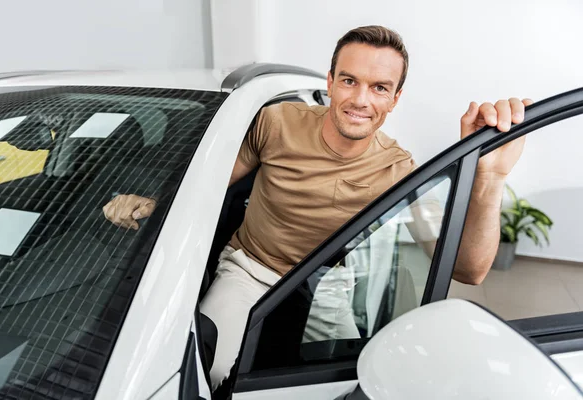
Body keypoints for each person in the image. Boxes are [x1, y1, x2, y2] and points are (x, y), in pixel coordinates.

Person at [103, 25, 532, 389]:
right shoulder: (276, 124)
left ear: (395, 99)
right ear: (330, 82)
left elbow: (468, 269)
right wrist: (151, 205)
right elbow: (208, 185)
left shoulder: (399, 169)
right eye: (349, 81)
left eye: (379, 87)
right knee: (210, 373)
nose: (361, 99)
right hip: (249, 271)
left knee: (356, 386)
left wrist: (489, 176)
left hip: (327, 288)